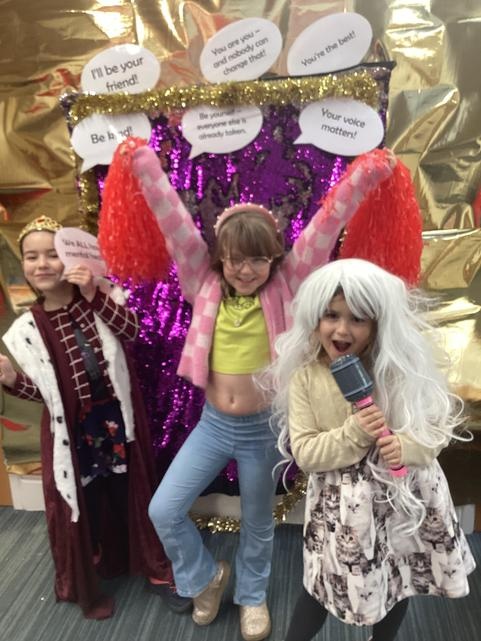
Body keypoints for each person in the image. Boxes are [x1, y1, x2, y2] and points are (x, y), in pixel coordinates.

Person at [128, 144, 398, 641]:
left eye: (257, 259)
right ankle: (205, 577)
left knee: (258, 520)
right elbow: (173, 222)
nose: (246, 270)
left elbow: (325, 226)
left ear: (273, 259)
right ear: (220, 259)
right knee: (163, 509)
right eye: (235, 260)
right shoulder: (201, 282)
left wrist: (363, 176)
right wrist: (144, 166)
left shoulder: (289, 284)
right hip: (213, 425)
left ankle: (252, 595)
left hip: (263, 429)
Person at [268, 258, 476, 641]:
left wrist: (407, 447)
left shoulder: (396, 371)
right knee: (319, 585)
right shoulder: (306, 379)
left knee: (396, 578)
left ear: (378, 324)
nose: (342, 329)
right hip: (342, 508)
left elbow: (434, 433)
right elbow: (307, 453)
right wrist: (355, 431)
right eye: (331, 315)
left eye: (358, 319)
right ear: (314, 319)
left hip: (401, 499)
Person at [0, 215, 190, 619]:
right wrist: (13, 380)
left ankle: (155, 569)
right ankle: (101, 560)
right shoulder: (25, 330)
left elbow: (131, 330)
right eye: (32, 256)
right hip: (71, 433)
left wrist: (92, 294)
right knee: (85, 500)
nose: (42, 264)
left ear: (70, 256)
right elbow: (46, 397)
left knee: (130, 492)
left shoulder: (100, 296)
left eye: (52, 254)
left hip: (116, 420)